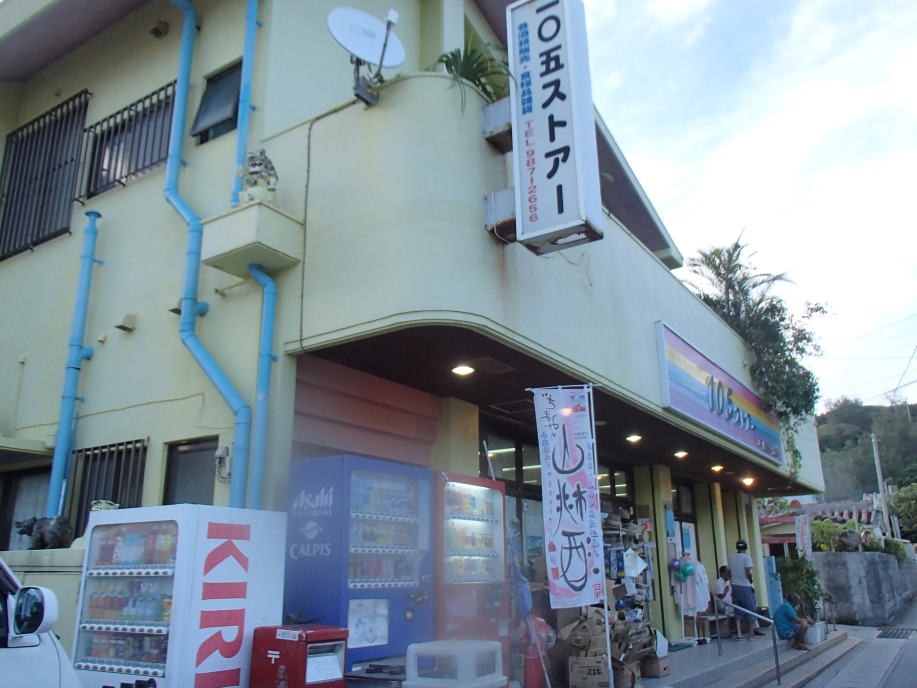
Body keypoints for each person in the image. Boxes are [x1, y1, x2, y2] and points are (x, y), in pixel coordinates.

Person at [727, 539, 758, 640]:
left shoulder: (731, 558)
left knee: (737, 609)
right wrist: (751, 580)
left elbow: (729, 573)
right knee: (751, 609)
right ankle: (751, 634)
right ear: (745, 548)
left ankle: (739, 633)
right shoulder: (746, 558)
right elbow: (748, 571)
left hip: (735, 586)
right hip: (745, 586)